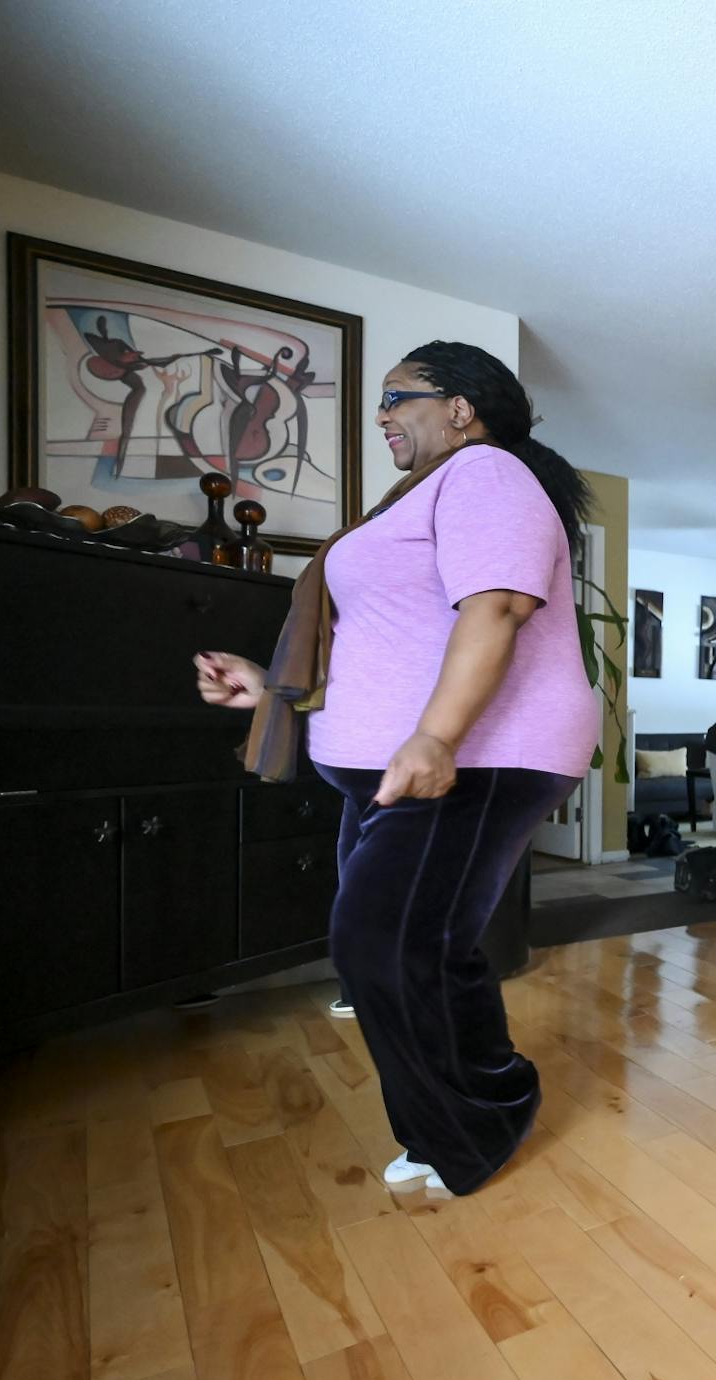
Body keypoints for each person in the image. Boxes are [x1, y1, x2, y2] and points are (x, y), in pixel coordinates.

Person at [194, 340, 598, 1196]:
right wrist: (270, 689)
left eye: (396, 396)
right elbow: (389, 636)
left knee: (383, 941)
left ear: (459, 408)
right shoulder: (413, 497)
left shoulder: (486, 473)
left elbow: (496, 606)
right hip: (399, 766)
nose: (380, 415)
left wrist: (438, 738)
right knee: (414, 943)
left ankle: (479, 1120)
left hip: (476, 757)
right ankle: (463, 1111)